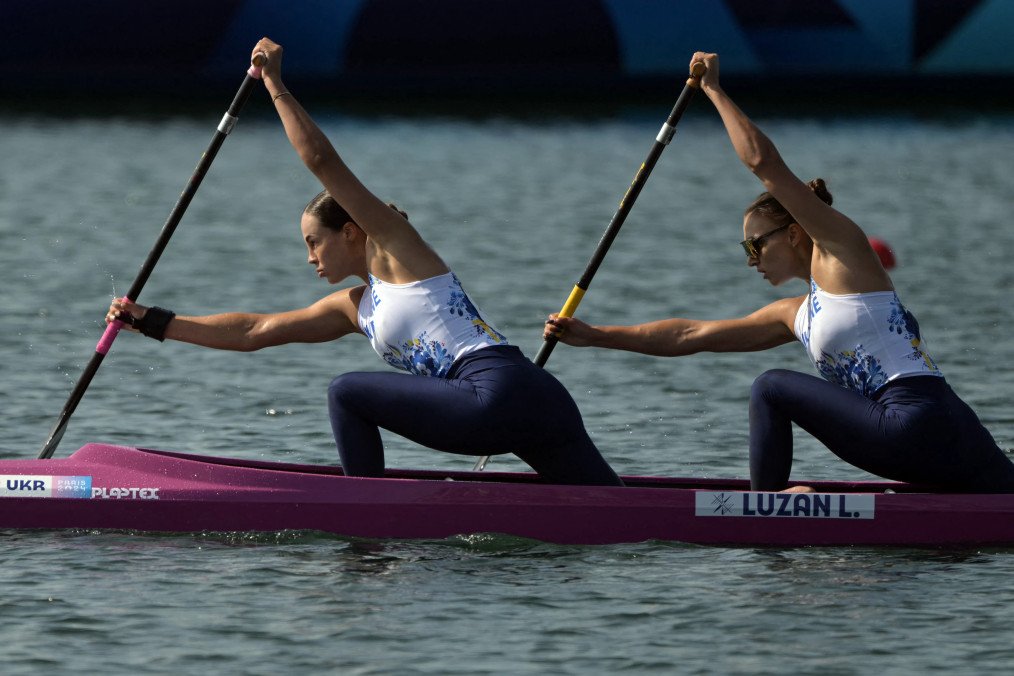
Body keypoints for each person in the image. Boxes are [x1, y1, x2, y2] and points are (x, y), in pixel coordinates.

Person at [106, 37, 622, 487]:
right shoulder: (354, 307)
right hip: (537, 401)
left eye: (315, 242)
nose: (309, 256)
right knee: (620, 512)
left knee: (346, 392)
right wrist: (152, 322)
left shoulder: (398, 249)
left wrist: (274, 84)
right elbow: (253, 330)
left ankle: (365, 510)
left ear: (351, 231)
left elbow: (322, 162)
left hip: (497, 392)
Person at [545, 51, 1014, 493]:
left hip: (913, 421)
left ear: (792, 234)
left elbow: (763, 164)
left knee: (771, 386)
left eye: (755, 243)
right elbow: (691, 334)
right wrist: (596, 335)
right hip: (952, 429)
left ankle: (764, 504)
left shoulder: (843, 254)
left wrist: (712, 90)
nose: (750, 258)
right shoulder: (794, 314)